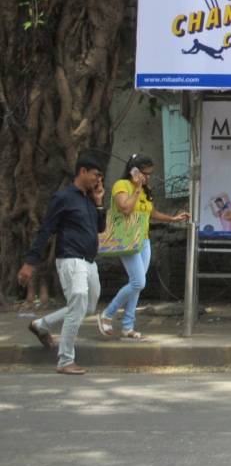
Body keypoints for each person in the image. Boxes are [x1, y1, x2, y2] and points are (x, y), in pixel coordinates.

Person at [17, 152, 107, 374]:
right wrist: (30, 263)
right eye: (96, 175)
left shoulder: (90, 198)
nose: (98, 180)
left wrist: (99, 203)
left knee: (88, 307)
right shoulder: (63, 197)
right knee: (78, 302)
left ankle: (40, 325)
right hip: (70, 259)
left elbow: (101, 228)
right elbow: (46, 230)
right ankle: (66, 359)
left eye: (101, 176)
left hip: (89, 261)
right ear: (82, 171)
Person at [97, 154, 190, 342]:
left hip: (143, 240)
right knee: (139, 283)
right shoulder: (122, 185)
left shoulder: (146, 190)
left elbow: (151, 212)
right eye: (144, 173)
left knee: (136, 285)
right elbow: (125, 208)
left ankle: (127, 328)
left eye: (150, 174)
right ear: (134, 171)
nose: (147, 177)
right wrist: (137, 188)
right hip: (125, 239)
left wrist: (173, 218)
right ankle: (108, 313)